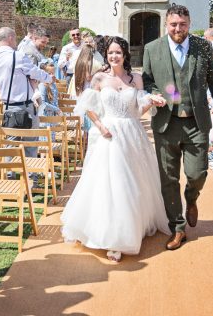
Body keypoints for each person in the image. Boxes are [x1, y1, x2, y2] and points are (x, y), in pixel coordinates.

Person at [62, 37, 169, 262]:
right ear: (106, 54)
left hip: (132, 134)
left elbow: (139, 110)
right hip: (108, 135)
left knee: (134, 182)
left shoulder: (136, 78)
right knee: (111, 183)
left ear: (125, 55)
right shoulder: (99, 78)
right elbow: (87, 106)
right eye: (110, 53)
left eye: (118, 52)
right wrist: (101, 126)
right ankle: (113, 238)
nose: (114, 56)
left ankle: (131, 229)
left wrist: (153, 101)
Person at [142, 4, 213, 250]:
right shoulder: (152, 49)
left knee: (197, 174)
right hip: (165, 123)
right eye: (173, 24)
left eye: (182, 24)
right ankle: (177, 228)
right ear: (166, 25)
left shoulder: (203, 47)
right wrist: (160, 94)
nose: (178, 29)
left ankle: (191, 199)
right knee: (168, 179)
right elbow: (148, 81)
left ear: (189, 23)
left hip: (196, 122)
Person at [0, 27, 54, 145]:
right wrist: (49, 78)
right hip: (25, 107)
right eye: (15, 38)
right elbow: (34, 72)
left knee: (11, 146)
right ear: (10, 38)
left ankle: (11, 163)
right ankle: (30, 164)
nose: (16, 41)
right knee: (31, 145)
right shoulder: (17, 56)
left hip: (8, 107)